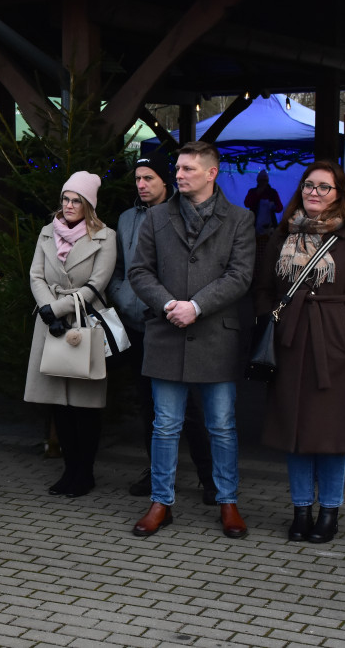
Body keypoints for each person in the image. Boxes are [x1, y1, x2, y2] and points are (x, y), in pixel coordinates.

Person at [129, 141, 255, 539]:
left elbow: (240, 275)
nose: (179, 174)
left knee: (222, 426)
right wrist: (169, 304)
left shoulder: (240, 219)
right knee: (165, 426)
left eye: (187, 169)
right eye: (178, 168)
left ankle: (227, 501)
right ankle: (160, 502)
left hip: (217, 336)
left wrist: (196, 306)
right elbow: (139, 271)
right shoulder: (156, 217)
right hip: (167, 332)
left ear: (211, 173)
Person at [255, 161, 345, 543]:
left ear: (338, 194)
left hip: (335, 345)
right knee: (294, 430)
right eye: (309, 185)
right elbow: (263, 288)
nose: (314, 192)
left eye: (324, 187)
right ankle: (300, 510)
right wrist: (272, 324)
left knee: (332, 434)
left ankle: (329, 512)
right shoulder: (282, 234)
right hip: (291, 342)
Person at [108, 152, 214, 503]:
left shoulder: (180, 215)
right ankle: (156, 472)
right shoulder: (126, 219)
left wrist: (176, 306)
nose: (141, 185)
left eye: (148, 178)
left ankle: (209, 477)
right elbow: (120, 267)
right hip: (135, 324)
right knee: (148, 404)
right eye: (137, 179)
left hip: (170, 323)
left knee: (187, 407)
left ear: (165, 181)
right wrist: (122, 296)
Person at [24, 171, 116, 498]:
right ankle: (68, 470)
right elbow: (36, 275)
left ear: (88, 204)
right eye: (66, 198)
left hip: (82, 323)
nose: (69, 205)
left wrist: (57, 308)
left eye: (77, 200)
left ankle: (84, 473)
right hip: (49, 324)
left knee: (84, 406)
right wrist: (47, 309)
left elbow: (97, 285)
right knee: (58, 405)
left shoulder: (105, 236)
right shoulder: (47, 232)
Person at [244, 170, 284, 235]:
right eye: (261, 181)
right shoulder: (252, 192)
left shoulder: (272, 192)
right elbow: (247, 204)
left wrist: (274, 206)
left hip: (269, 225)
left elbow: (280, 208)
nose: (263, 183)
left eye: (264, 181)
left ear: (267, 181)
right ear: (258, 181)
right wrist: (256, 195)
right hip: (255, 224)